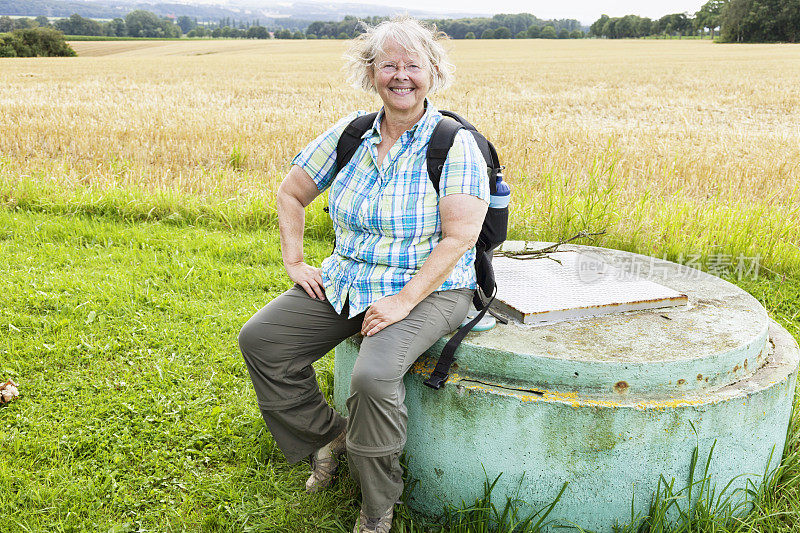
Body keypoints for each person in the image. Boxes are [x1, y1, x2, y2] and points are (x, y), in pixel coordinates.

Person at [238, 16, 489, 533]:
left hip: (434, 286)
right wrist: (294, 260)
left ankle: (377, 510)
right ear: (371, 72)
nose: (401, 76)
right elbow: (292, 192)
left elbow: (459, 238)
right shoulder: (351, 132)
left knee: (372, 377)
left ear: (433, 73)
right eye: (388, 64)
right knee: (263, 340)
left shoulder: (453, 143)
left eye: (413, 65)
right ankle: (327, 436)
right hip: (349, 275)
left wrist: (401, 302)